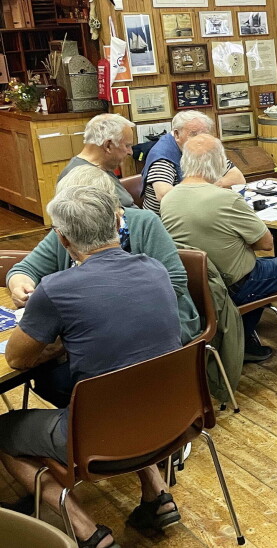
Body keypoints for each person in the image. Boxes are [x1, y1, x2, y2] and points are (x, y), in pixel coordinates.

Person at [0, 185, 183, 548]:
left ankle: (88, 533)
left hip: (102, 433)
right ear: (117, 222)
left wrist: (57, 341)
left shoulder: (55, 289)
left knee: (3, 431)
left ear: (63, 239)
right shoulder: (155, 269)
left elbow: (17, 359)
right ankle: (157, 492)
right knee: (105, 390)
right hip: (173, 417)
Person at [160, 134, 277, 363]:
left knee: (258, 267)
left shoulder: (168, 199)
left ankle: (244, 339)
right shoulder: (225, 198)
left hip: (197, 288)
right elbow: (266, 244)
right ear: (218, 162)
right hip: (235, 285)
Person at [7, 165, 200, 345]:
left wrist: (106, 309)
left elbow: (175, 280)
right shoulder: (67, 228)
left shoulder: (145, 223)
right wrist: (20, 285)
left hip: (159, 323)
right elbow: (25, 269)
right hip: (91, 327)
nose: (78, 220)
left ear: (112, 208)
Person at [141, 110, 245, 214]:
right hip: (166, 219)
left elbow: (238, 178)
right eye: (194, 134)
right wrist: (205, 191)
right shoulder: (162, 157)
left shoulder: (203, 147)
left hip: (196, 211)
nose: (200, 139)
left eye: (204, 134)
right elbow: (164, 195)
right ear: (177, 134)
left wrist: (208, 189)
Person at [58, 113, 136, 208]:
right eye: (127, 146)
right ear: (108, 145)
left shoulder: (102, 166)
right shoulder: (82, 178)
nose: (130, 152)